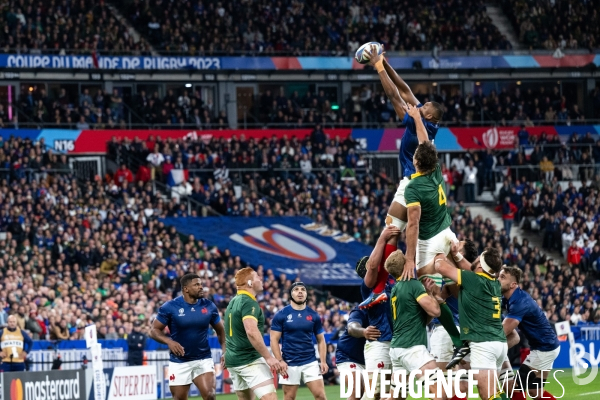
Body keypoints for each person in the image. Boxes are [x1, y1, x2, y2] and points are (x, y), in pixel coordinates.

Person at [360, 44, 444, 309]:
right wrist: (384, 63)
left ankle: (390, 284)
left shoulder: (423, 125)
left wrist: (377, 67)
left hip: (412, 184)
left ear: (429, 114)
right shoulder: (423, 118)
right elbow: (405, 89)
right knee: (393, 229)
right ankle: (392, 284)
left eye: (425, 105)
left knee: (395, 229)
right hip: (415, 184)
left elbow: (395, 97)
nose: (421, 103)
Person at [434, 248, 511, 400]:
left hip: (484, 345)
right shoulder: (494, 283)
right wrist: (456, 254)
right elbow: (470, 266)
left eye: (478, 258)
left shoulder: (472, 279)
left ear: (481, 267)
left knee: (487, 394)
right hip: (499, 344)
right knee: (495, 391)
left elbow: (440, 266)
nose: (474, 260)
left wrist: (439, 248)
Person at [150, 273, 225, 400]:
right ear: (186, 289)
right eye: (196, 285)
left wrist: (225, 351)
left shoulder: (209, 306)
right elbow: (153, 330)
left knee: (210, 396)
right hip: (179, 361)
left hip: (203, 359)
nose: (201, 287)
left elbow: (221, 331)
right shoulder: (170, 307)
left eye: (201, 284)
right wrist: (169, 342)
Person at [385, 249, 443, 399]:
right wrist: (430, 293)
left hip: (397, 348)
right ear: (406, 265)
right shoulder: (412, 285)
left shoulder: (396, 288)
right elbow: (436, 311)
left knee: (397, 396)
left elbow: (424, 318)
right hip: (412, 348)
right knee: (440, 392)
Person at [499, 266, 561, 400]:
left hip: (543, 349)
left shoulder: (520, 302)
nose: (498, 279)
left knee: (514, 388)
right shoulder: (511, 297)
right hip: (548, 346)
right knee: (535, 392)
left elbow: (503, 330)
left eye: (502, 277)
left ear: (513, 284)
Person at [224, 267, 285, 400]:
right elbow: (251, 331)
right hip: (249, 360)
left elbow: (231, 331)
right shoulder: (248, 302)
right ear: (250, 283)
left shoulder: (232, 302)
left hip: (233, 361)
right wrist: (269, 357)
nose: (261, 279)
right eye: (257, 277)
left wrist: (227, 352)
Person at [355, 226, 399, 400]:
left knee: (392, 394)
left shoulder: (391, 282)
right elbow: (373, 266)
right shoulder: (371, 286)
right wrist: (382, 237)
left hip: (397, 343)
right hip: (380, 343)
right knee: (373, 393)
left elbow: (389, 258)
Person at [270, 282, 328, 400]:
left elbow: (321, 340)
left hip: (310, 361)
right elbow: (273, 340)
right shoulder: (281, 315)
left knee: (321, 396)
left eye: (303, 289)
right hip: (289, 363)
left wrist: (323, 361)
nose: (300, 291)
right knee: (289, 397)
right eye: (296, 289)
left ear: (307, 294)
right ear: (291, 294)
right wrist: (280, 360)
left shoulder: (314, 315)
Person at [336, 306, 369, 400]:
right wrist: (364, 332)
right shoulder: (361, 309)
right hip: (349, 356)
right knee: (356, 392)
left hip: (368, 359)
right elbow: (351, 328)